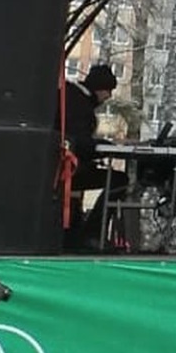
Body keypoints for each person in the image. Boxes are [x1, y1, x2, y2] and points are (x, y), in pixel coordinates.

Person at [61, 62, 118, 251]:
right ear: (98, 88)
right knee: (119, 180)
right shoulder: (80, 105)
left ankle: (84, 232)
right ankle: (93, 233)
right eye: (108, 90)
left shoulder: (72, 97)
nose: (108, 96)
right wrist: (106, 146)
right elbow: (80, 142)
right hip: (68, 170)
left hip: (62, 168)